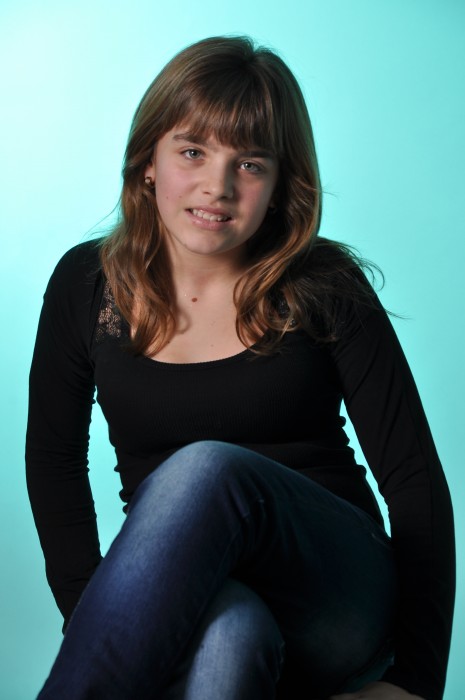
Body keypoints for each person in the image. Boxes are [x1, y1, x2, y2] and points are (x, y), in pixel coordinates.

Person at [26, 35, 455, 700]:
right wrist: (95, 617)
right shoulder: (86, 283)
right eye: (192, 152)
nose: (217, 186)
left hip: (337, 596)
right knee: (229, 635)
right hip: (197, 590)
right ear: (148, 161)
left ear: (280, 184)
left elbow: (412, 476)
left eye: (249, 163)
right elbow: (54, 461)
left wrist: (416, 680)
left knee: (205, 468)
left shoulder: (324, 283)